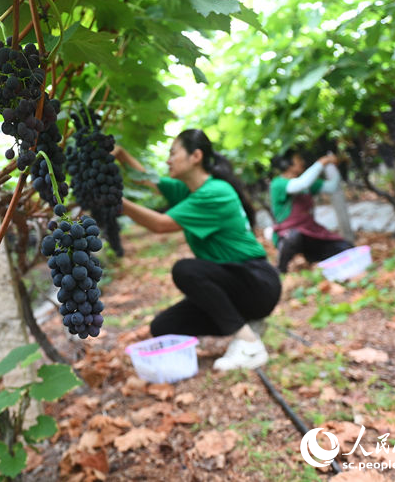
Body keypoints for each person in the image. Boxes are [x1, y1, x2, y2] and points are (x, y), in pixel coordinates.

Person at [112, 129, 281, 371]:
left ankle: (249, 344)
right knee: (163, 326)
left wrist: (114, 201)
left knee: (186, 270)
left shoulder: (214, 192)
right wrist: (120, 154)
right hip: (236, 285)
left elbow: (160, 225)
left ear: (196, 156)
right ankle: (249, 324)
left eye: (173, 153)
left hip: (257, 282)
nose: (167, 160)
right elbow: (148, 180)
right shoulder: (189, 191)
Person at [269, 150, 354, 273]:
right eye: (298, 160)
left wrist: (335, 167)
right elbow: (301, 184)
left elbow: (332, 187)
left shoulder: (307, 182)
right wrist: (322, 162)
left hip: (310, 232)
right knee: (293, 236)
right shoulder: (278, 183)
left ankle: (313, 257)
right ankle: (281, 268)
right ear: (287, 165)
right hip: (289, 235)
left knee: (346, 247)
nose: (302, 162)